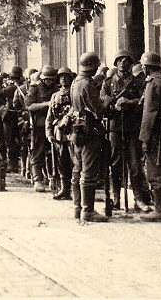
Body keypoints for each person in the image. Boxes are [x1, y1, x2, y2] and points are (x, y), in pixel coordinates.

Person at [101, 50, 152, 212]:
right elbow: (102, 102)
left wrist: (129, 102)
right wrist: (112, 104)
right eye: (120, 60)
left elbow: (143, 101)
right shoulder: (108, 83)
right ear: (115, 64)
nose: (123, 63)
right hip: (115, 127)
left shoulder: (138, 82)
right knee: (116, 164)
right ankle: (116, 198)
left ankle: (138, 199)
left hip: (132, 127)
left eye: (126, 60)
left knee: (135, 164)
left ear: (131, 64)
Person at [70, 52, 108, 222]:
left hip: (77, 129)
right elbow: (98, 108)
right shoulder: (87, 84)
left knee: (77, 170)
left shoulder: (75, 82)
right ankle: (88, 211)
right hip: (90, 129)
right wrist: (107, 99)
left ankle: (78, 208)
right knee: (89, 171)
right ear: (92, 65)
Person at [138, 52, 161, 222]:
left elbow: (149, 113)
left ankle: (160, 210)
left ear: (146, 67)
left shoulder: (153, 84)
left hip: (156, 132)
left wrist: (144, 138)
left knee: (155, 169)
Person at [25, 65, 59, 192]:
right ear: (42, 79)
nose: (49, 82)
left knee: (54, 153)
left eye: (51, 79)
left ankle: (53, 177)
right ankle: (37, 179)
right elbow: (29, 106)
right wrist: (46, 104)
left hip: (54, 125)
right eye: (47, 79)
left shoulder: (57, 89)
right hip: (39, 125)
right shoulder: (35, 89)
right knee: (37, 152)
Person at [46, 67, 74, 200]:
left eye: (66, 76)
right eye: (61, 76)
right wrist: (49, 133)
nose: (63, 78)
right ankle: (65, 189)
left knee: (75, 162)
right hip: (59, 134)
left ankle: (77, 191)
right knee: (62, 163)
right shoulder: (55, 96)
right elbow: (50, 117)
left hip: (73, 131)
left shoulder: (75, 93)